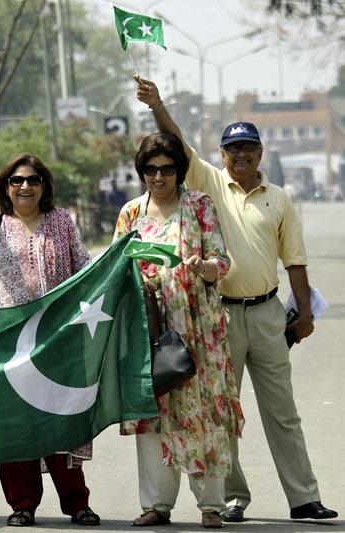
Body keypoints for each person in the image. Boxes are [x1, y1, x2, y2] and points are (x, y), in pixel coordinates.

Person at [135, 75, 338, 522]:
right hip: (217, 318)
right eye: (233, 149)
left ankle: (304, 497)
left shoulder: (280, 199)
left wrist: (304, 312)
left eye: (249, 148)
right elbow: (178, 144)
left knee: (282, 411)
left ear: (261, 153)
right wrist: (157, 105)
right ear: (222, 155)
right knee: (222, 410)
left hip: (266, 313)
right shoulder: (208, 184)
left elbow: (295, 261)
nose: (241, 155)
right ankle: (233, 498)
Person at [0, 138, 100, 528]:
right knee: (14, 423)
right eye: (17, 180)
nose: (25, 187)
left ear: (44, 185)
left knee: (62, 421)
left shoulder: (61, 221)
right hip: (8, 342)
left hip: (57, 340)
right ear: (6, 186)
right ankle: (22, 504)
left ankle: (77, 503)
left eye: (33, 179)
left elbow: (84, 267)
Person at [114, 132, 244, 529]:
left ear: (179, 171)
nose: (158, 177)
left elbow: (221, 262)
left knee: (202, 410)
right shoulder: (131, 214)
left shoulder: (199, 206)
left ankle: (211, 504)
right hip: (148, 328)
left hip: (196, 328)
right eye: (151, 169)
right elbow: (117, 267)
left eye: (167, 169)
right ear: (142, 172)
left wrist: (202, 267)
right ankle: (156, 504)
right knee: (154, 413)